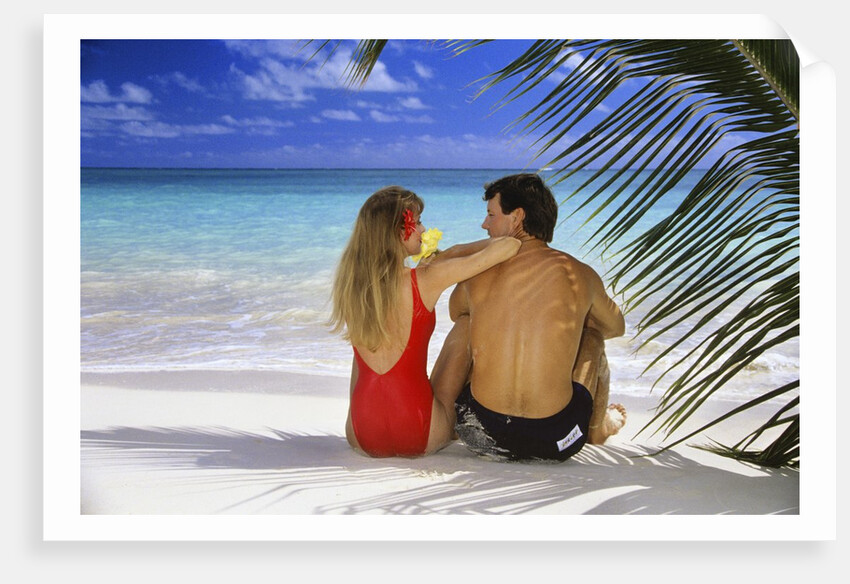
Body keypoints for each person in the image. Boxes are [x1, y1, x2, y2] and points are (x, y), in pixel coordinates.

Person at [430, 173, 627, 462]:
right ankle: (596, 429)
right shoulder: (579, 274)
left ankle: (439, 417)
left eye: (491, 215)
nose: (484, 224)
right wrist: (573, 321)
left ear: (517, 217)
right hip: (559, 440)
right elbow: (615, 327)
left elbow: (455, 312)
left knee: (467, 321)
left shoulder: (477, 272)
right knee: (592, 336)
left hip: (481, 433)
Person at [329, 186, 521, 458]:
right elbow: (507, 247)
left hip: (361, 433)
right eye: (417, 222)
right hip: (417, 430)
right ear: (398, 230)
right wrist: (453, 252)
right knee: (466, 322)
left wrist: (439, 260)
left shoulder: (351, 286)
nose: (422, 229)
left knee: (364, 344)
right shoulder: (426, 279)